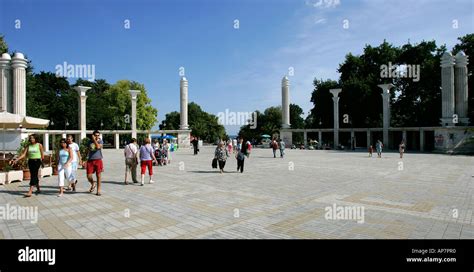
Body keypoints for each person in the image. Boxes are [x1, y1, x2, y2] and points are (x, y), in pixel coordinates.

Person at [85, 130, 104, 196]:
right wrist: (83, 159)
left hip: (98, 160)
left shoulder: (100, 141)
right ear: (93, 135)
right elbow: (87, 150)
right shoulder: (89, 142)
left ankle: (98, 191)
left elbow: (98, 147)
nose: (97, 136)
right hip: (90, 160)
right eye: (95, 135)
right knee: (88, 176)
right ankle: (93, 183)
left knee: (98, 176)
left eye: (98, 135)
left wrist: (94, 140)